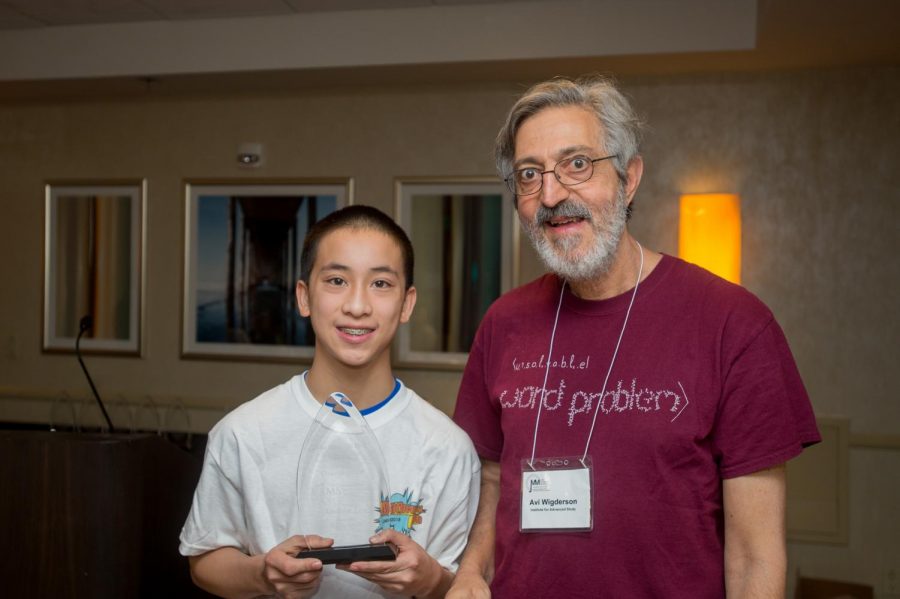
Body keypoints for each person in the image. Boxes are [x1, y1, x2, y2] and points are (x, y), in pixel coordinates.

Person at [447, 76, 821, 598]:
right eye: (530, 175)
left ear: (630, 178)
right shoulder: (504, 323)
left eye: (577, 164)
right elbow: (490, 477)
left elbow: (756, 557)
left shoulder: (733, 324)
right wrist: (469, 571)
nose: (552, 195)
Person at [180, 205, 481, 598]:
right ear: (304, 297)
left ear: (407, 304)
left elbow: (463, 583)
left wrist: (433, 581)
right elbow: (203, 560)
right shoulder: (241, 433)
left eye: (381, 284)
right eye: (337, 280)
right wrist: (261, 573)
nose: (357, 306)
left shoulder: (448, 449)